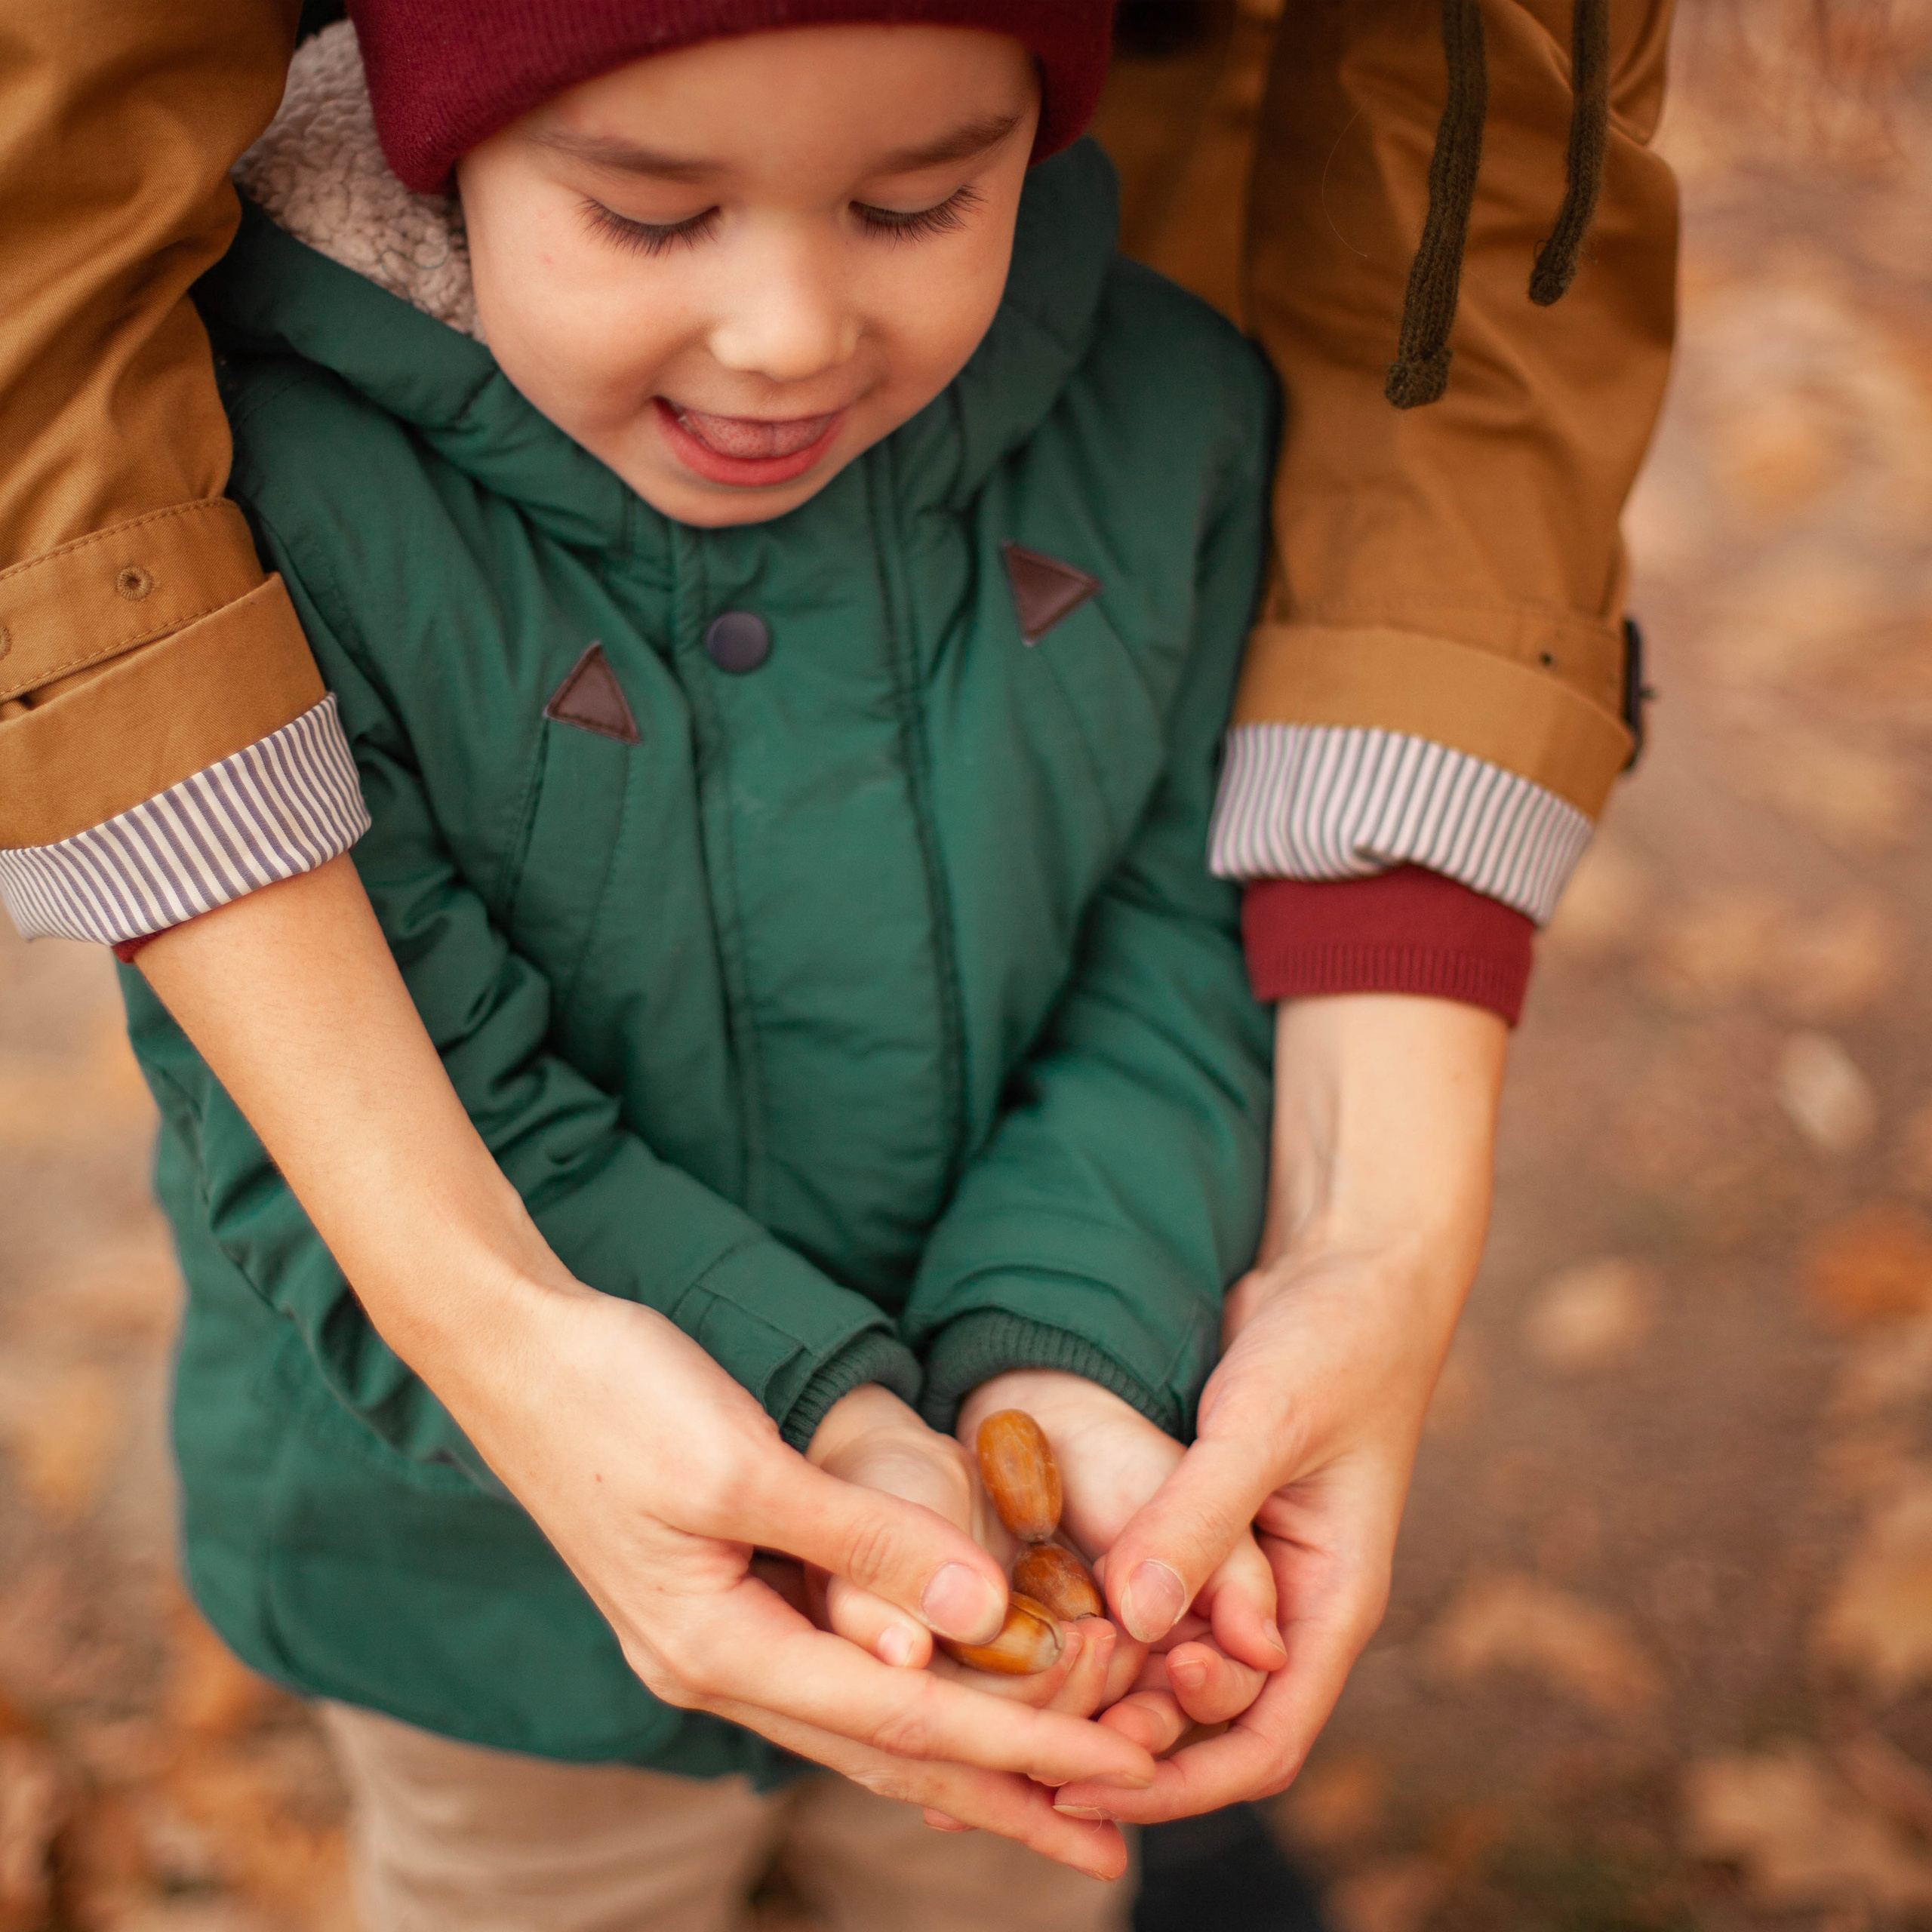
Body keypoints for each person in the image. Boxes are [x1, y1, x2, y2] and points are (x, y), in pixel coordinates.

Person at [0, 0, 1676, 1894]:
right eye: (647, 216)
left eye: (916, 202)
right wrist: (817, 1411)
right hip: (480, 1616)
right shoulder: (264, 510)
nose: (790, 331)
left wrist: (1075, 1345)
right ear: (431, 145)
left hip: (1043, 1607)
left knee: (985, 1874)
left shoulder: (1172, 424)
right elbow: (359, 1101)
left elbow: (1180, 944)